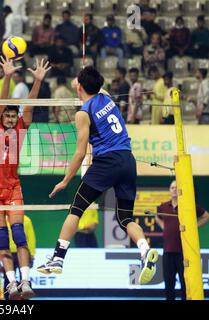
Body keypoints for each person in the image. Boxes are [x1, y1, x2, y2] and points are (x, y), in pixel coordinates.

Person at [37, 66, 159, 286]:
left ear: (80, 86)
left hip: (107, 163)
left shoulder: (83, 113)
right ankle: (145, 250)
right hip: (127, 161)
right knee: (125, 218)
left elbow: (80, 152)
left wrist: (65, 180)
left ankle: (57, 258)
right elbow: (93, 84)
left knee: (76, 209)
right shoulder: (107, 97)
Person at [0, 57, 50, 300]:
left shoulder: (21, 127)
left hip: (13, 187)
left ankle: (26, 281)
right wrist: (7, 76)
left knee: (19, 235)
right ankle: (11, 284)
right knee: (2, 238)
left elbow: (29, 105)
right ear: (1, 117)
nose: (10, 119)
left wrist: (37, 81)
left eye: (13, 116)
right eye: (7, 116)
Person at [155, 180, 209, 300]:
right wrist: (164, 226)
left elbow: (206, 216)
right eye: (172, 187)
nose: (174, 189)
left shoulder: (188, 206)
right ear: (169, 190)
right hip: (168, 252)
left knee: (185, 284)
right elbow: (156, 216)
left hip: (184, 253)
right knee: (169, 284)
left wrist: (193, 227)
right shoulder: (163, 206)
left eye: (176, 187)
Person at [0, 215, 36, 300]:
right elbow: (0, 240)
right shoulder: (3, 220)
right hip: (8, 254)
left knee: (24, 279)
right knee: (8, 280)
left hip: (23, 254)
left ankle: (25, 299)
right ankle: (8, 298)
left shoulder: (26, 220)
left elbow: (31, 237)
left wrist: (32, 254)